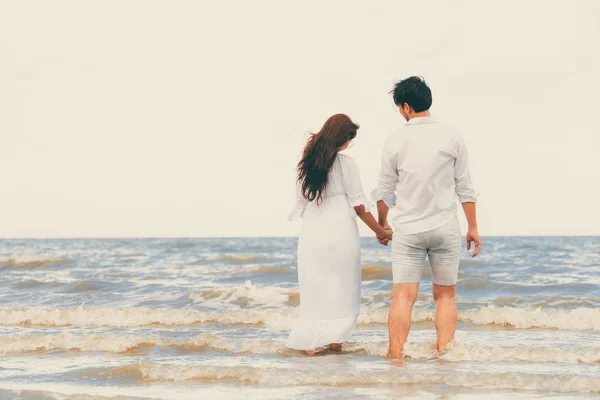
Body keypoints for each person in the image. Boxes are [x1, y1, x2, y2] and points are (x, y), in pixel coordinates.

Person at [374, 76, 481, 358]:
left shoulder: (396, 139)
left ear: (407, 107)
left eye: (399, 107)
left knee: (402, 297)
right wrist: (473, 227)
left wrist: (382, 225)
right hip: (445, 226)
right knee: (445, 296)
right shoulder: (452, 134)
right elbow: (465, 186)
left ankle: (396, 359)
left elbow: (385, 191)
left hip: (408, 230)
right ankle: (445, 356)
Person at [287, 114, 392, 355]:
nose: (349, 144)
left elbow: (302, 204)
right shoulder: (346, 164)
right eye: (349, 139)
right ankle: (335, 345)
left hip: (312, 235)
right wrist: (381, 231)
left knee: (316, 289)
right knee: (342, 289)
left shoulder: (305, 165)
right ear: (342, 138)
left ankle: (311, 347)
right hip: (340, 233)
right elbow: (359, 206)